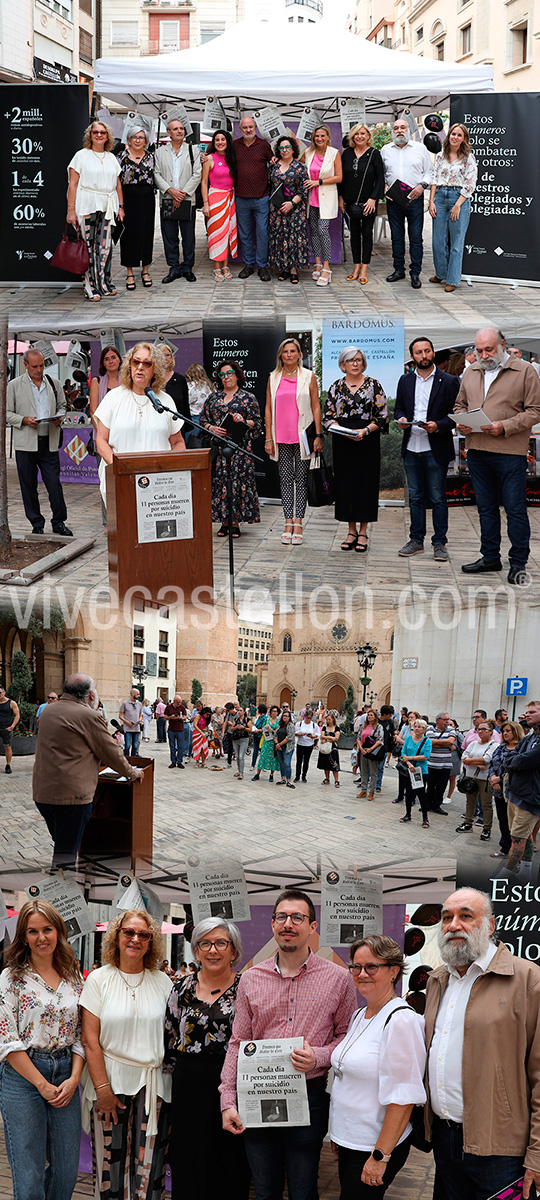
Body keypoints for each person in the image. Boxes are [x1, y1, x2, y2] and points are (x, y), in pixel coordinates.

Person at [219, 888, 357, 1200]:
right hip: (257, 1094)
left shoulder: (339, 978)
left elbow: (348, 1038)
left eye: (298, 917)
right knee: (265, 1191)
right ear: (272, 924)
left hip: (308, 1096)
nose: (288, 924)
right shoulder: (251, 979)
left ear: (312, 926)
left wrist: (319, 1056)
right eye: (281, 917)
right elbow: (238, 1042)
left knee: (303, 1190)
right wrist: (228, 1099)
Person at [424, 887, 540, 1200]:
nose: (453, 925)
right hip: (446, 1140)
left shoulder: (528, 979)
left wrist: (538, 1155)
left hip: (501, 1150)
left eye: (466, 916)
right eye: (447, 918)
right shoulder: (438, 980)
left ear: (489, 925)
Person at [80, 909, 173, 1200]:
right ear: (116, 936)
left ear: (151, 941)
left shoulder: (164, 982)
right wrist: (103, 1090)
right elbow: (90, 1040)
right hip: (110, 1082)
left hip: (154, 1087)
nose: (135, 939)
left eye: (143, 934)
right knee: (111, 1167)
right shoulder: (99, 979)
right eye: (128, 932)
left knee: (151, 1169)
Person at [329, 935, 426, 1199]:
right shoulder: (360, 1014)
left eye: (372, 967)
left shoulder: (401, 1020)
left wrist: (381, 1156)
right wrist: (341, 1133)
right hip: (351, 1141)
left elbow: (404, 1098)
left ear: (394, 970)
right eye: (356, 967)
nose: (362, 974)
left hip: (374, 1146)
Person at [0, 899, 85, 1200]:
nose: (41, 938)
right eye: (33, 931)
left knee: (66, 1171)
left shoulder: (74, 976)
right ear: (23, 935)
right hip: (23, 1077)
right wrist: (40, 1083)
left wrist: (74, 1078)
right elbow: (6, 1039)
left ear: (58, 931)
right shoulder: (11, 978)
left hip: (65, 1073)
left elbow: (80, 1035)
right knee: (29, 1172)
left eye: (47, 929)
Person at [165, 919, 250, 1200]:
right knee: (189, 1159)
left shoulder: (247, 989)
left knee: (230, 1161)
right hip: (188, 1084)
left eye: (221, 943)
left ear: (233, 950)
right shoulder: (180, 990)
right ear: (196, 951)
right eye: (205, 943)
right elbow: (169, 1038)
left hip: (233, 1086)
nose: (213, 950)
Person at [455, 326, 540, 584]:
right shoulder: (471, 372)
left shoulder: (524, 371)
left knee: (514, 509)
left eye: (489, 349)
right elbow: (459, 405)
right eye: (479, 350)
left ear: (502, 344)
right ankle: (490, 557)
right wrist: (460, 422)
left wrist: (504, 426)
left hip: (509, 452)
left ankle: (518, 562)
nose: (484, 354)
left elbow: (535, 411)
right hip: (477, 449)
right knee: (486, 508)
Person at [33, 673, 143, 867]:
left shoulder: (48, 711)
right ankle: (61, 893)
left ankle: (62, 889)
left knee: (63, 846)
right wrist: (133, 773)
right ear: (91, 696)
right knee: (65, 856)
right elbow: (112, 753)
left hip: (43, 793)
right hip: (72, 796)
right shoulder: (89, 716)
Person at [94, 342, 186, 505]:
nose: (140, 367)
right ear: (129, 365)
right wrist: (119, 467)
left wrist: (171, 468)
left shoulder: (165, 401)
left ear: (155, 369)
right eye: (136, 362)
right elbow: (101, 440)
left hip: (158, 485)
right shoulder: (114, 397)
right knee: (125, 529)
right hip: (120, 479)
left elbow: (177, 442)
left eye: (147, 363)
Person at [395, 336, 460, 560]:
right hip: (412, 446)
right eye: (419, 352)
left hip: (436, 447)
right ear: (412, 357)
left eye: (427, 351)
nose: (424, 356)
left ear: (433, 353)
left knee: (438, 497)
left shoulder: (449, 381)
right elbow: (399, 409)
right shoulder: (404, 381)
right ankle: (416, 540)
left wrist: (438, 426)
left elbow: (456, 415)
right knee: (415, 497)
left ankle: (440, 543)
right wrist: (401, 418)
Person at [324, 346, 388, 553]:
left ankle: (363, 531)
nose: (355, 363)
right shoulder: (335, 387)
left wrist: (366, 431)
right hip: (343, 442)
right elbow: (328, 417)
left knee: (365, 486)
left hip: (367, 441)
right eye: (350, 360)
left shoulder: (374, 385)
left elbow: (382, 416)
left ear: (363, 363)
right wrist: (338, 429)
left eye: (358, 360)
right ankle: (350, 531)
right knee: (345, 486)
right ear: (342, 364)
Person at [7, 348, 72, 537]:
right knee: (28, 486)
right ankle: (36, 523)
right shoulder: (14, 385)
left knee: (54, 485)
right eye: (34, 366)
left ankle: (59, 522)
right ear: (25, 365)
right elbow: (7, 413)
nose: (39, 370)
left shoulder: (54, 383)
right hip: (25, 444)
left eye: (42, 365)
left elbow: (63, 406)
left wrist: (59, 417)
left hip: (48, 441)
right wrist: (24, 420)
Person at [265, 339, 323, 545]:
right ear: (281, 356)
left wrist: (318, 434)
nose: (289, 355)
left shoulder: (309, 376)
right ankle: (287, 521)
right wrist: (268, 437)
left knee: (301, 479)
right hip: (280, 437)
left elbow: (316, 406)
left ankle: (299, 522)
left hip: (303, 436)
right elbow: (268, 409)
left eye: (293, 351)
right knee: (286, 480)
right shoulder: (273, 377)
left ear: (299, 354)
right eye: (285, 352)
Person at [200, 359, 262, 537]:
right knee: (221, 484)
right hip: (219, 450)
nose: (226, 378)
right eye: (222, 375)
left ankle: (235, 523)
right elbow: (203, 420)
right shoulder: (213, 397)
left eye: (229, 374)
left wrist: (243, 421)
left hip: (240, 450)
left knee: (237, 483)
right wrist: (212, 428)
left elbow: (257, 424)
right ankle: (224, 522)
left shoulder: (247, 397)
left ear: (237, 375)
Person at [66, 119, 123, 301]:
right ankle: (89, 286)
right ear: (90, 135)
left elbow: (118, 185)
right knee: (88, 247)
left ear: (108, 137)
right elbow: (72, 184)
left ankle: (104, 283)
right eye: (95, 132)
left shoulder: (112, 157)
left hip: (107, 205)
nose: (99, 135)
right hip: (87, 205)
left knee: (104, 247)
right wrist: (70, 210)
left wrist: (120, 207)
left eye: (102, 132)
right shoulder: (81, 155)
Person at [380, 116, 433, 289]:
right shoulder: (385, 150)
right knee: (396, 236)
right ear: (392, 132)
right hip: (394, 199)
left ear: (409, 130)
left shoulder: (420, 148)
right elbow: (382, 174)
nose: (400, 131)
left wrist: (422, 185)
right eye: (396, 128)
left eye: (403, 127)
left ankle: (415, 273)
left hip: (415, 198)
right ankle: (398, 270)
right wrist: (385, 187)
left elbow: (429, 172)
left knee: (416, 237)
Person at [429, 123, 477, 294]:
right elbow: (434, 178)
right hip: (441, 197)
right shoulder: (441, 156)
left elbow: (470, 183)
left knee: (456, 242)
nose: (455, 137)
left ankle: (452, 279)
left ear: (464, 139)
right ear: (448, 136)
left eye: (459, 135)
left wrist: (458, 205)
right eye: (453, 134)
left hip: (459, 198)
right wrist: (431, 201)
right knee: (437, 241)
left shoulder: (468, 158)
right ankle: (441, 273)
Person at [154, 118, 201, 284]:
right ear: (169, 133)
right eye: (176, 129)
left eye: (181, 128)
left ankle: (187, 267)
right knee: (170, 237)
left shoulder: (193, 150)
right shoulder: (159, 152)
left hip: (187, 200)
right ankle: (173, 268)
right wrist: (171, 191)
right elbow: (156, 174)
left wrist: (182, 193)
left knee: (188, 237)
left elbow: (197, 173)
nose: (180, 131)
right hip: (167, 200)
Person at [338, 123, 384, 285]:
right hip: (350, 201)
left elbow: (380, 179)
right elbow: (342, 178)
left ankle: (364, 267)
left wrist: (373, 199)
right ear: (352, 136)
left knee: (367, 233)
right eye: (356, 134)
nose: (359, 136)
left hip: (369, 202)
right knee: (354, 234)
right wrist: (341, 197)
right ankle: (356, 266)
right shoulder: (347, 154)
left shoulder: (374, 154)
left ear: (368, 136)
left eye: (363, 133)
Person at [234, 115, 273, 281]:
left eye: (250, 127)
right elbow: (219, 155)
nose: (248, 130)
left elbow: (274, 162)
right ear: (240, 129)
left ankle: (262, 266)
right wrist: (205, 157)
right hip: (241, 197)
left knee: (263, 233)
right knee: (245, 234)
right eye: (244, 127)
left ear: (255, 127)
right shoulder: (234, 145)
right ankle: (249, 264)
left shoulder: (264, 145)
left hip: (262, 197)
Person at [503, 699, 540, 873]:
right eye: (528, 712)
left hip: (530, 798)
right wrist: (514, 760)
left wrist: (514, 760)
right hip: (515, 794)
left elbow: (523, 760)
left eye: (533, 712)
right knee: (522, 836)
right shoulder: (531, 737)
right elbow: (513, 756)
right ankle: (526, 873)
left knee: (517, 840)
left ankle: (504, 876)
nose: (528, 715)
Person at [303, 124, 342, 288]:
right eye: (317, 136)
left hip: (326, 197)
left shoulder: (334, 153)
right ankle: (317, 263)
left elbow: (339, 177)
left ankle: (326, 267)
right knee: (313, 230)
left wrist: (318, 182)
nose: (319, 139)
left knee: (323, 230)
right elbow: (295, 164)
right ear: (313, 138)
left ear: (328, 138)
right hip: (311, 199)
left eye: (322, 136)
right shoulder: (307, 152)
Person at [118, 125, 156, 290]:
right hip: (128, 197)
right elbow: (117, 182)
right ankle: (130, 272)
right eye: (135, 137)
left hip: (147, 198)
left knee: (147, 233)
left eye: (141, 138)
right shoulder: (121, 157)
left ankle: (145, 270)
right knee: (128, 235)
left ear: (146, 141)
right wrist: (120, 206)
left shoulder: (151, 157)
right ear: (129, 140)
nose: (138, 140)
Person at [267, 135, 309, 283]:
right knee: (280, 238)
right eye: (281, 148)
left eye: (287, 147)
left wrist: (292, 203)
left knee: (294, 239)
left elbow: (304, 191)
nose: (284, 150)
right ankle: (283, 268)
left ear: (293, 149)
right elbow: (269, 187)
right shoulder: (273, 166)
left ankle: (293, 270)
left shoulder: (300, 167)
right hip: (277, 211)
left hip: (295, 210)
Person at [201, 129, 238, 280]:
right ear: (213, 142)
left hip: (231, 198)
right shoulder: (209, 158)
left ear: (227, 142)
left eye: (223, 139)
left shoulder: (232, 158)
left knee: (228, 232)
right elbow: (203, 182)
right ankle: (216, 268)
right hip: (215, 199)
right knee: (216, 234)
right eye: (217, 140)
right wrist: (205, 204)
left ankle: (225, 265)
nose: (220, 142)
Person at [455, 718, 499, 841]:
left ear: (491, 731)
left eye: (484, 729)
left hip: (484, 779)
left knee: (486, 804)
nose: (480, 731)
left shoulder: (494, 745)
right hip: (471, 777)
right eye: (479, 729)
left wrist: (470, 761)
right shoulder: (474, 743)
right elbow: (464, 756)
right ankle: (468, 823)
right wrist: (475, 763)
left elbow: (486, 759)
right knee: (470, 802)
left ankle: (486, 828)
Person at [489, 719, 525, 859]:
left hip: (513, 790)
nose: (505, 733)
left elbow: (517, 768)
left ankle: (516, 852)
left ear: (515, 731)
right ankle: (505, 847)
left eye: (508, 731)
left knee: (515, 822)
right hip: (497, 789)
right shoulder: (501, 747)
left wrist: (500, 778)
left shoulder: (521, 749)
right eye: (503, 731)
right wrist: (492, 777)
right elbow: (492, 763)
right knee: (502, 819)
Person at [398, 718, 432, 827]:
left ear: (424, 729)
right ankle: (407, 814)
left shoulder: (427, 741)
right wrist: (409, 763)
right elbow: (403, 753)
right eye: (415, 726)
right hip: (409, 770)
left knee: (421, 794)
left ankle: (425, 818)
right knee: (408, 793)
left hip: (421, 771)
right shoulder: (408, 739)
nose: (416, 729)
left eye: (419, 727)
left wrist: (411, 758)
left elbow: (425, 756)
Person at [424, 712, 456, 817]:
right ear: (438, 720)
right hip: (432, 763)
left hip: (445, 764)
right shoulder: (430, 729)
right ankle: (428, 804)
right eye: (445, 719)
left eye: (448, 719)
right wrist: (445, 743)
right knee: (430, 785)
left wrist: (436, 742)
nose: (447, 721)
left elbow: (451, 741)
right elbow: (429, 742)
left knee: (441, 786)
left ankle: (437, 805)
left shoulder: (451, 729)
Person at [356, 708, 385, 801]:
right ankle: (363, 790)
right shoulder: (364, 726)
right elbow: (358, 737)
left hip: (373, 752)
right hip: (363, 751)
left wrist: (371, 749)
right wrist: (361, 748)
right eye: (368, 715)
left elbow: (380, 740)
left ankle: (371, 791)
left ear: (375, 717)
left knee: (373, 772)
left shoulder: (378, 727)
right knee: (363, 771)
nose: (369, 717)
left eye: (371, 715)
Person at [161, 341, 192, 427]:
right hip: (158, 426)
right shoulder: (152, 379)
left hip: (178, 426)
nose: (165, 358)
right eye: (161, 355)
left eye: (167, 355)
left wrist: (187, 427)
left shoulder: (180, 379)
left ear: (171, 358)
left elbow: (185, 405)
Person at [252, 704, 280, 782]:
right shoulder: (267, 720)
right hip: (266, 741)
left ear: (278, 712)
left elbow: (279, 732)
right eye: (272, 711)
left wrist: (272, 730)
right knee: (262, 757)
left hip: (274, 742)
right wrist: (262, 729)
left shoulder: (279, 721)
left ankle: (271, 775)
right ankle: (257, 774)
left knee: (273, 758)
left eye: (275, 711)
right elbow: (263, 728)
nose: (273, 713)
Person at [294, 706, 320, 783]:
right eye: (307, 718)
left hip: (309, 745)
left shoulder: (314, 725)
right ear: (304, 717)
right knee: (299, 761)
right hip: (300, 744)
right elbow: (295, 733)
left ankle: (304, 776)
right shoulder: (300, 724)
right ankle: (297, 776)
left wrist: (311, 736)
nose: (308, 719)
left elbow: (318, 735)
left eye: (310, 718)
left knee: (306, 761)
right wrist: (301, 734)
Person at [317, 712, 341, 787]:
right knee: (325, 763)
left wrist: (327, 739)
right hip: (325, 748)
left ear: (333, 719)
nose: (328, 721)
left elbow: (336, 738)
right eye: (327, 719)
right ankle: (327, 778)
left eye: (329, 719)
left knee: (334, 763)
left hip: (333, 748)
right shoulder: (324, 727)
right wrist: (331, 738)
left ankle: (336, 780)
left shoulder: (336, 728)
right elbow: (322, 736)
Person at [0, 683, 19, 776]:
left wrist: (12, 726)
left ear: (4, 693)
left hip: (6, 728)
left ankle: (8, 765)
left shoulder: (11, 703)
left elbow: (17, 715)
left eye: (0, 693)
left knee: (7, 746)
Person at [274, 708, 296, 788]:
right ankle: (283, 778)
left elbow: (289, 737)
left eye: (286, 716)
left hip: (287, 748)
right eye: (284, 716)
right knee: (281, 763)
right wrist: (277, 743)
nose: (285, 717)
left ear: (289, 717)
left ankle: (289, 780)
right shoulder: (279, 725)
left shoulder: (291, 726)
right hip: (279, 747)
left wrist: (280, 744)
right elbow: (275, 734)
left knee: (287, 763)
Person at [165, 693, 187, 768]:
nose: (179, 704)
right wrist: (171, 717)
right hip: (171, 729)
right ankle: (173, 761)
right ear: (174, 701)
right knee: (172, 746)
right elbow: (165, 717)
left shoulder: (182, 707)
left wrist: (179, 718)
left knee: (181, 746)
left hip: (180, 729)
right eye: (177, 702)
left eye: (180, 702)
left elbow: (185, 717)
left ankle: (179, 761)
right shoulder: (168, 707)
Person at [229, 705, 252, 779]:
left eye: (241, 710)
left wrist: (243, 728)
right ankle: (239, 771)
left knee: (241, 756)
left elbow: (250, 730)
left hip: (244, 740)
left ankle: (241, 773)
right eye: (238, 710)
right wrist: (236, 727)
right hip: (236, 739)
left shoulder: (247, 720)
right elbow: (231, 729)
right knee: (238, 756)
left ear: (244, 712)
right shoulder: (236, 719)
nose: (239, 712)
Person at [119, 687, 143, 756]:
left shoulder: (139, 704)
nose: (139, 696)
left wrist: (140, 720)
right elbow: (120, 716)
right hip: (127, 728)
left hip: (136, 728)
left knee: (135, 746)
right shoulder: (125, 703)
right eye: (138, 694)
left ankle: (133, 759)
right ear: (133, 694)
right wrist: (127, 722)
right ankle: (126, 760)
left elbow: (141, 715)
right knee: (127, 745)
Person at [251, 703, 268, 770]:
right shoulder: (259, 717)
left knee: (262, 751)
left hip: (261, 736)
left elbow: (264, 728)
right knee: (255, 750)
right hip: (256, 735)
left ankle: (262, 765)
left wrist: (258, 730)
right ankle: (253, 764)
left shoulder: (265, 718)